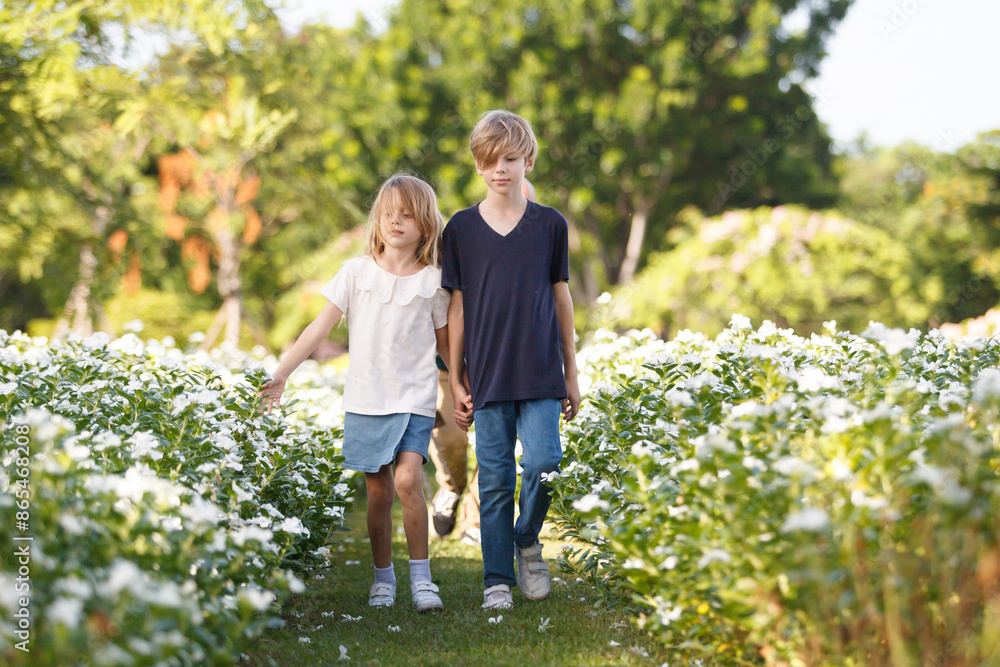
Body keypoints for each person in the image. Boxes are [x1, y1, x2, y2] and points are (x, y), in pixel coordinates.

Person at [259, 173, 450, 612]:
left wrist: (463, 385)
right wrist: (282, 373)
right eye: (387, 215)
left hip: (414, 398)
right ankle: (383, 579)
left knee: (407, 481)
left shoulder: (434, 282)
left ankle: (422, 580)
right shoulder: (355, 273)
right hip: (366, 398)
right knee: (379, 491)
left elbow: (446, 346)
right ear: (376, 221)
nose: (395, 222)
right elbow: (317, 328)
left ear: (425, 223)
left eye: (406, 215)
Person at [442, 110, 580, 611]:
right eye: (490, 160)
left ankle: (527, 539)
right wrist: (456, 379)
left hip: (542, 370)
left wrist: (572, 372)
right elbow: (455, 308)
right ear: (478, 166)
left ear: (528, 161)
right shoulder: (460, 229)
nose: (500, 169)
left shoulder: (550, 225)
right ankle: (496, 579)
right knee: (496, 478)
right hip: (487, 374)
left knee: (545, 464)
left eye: (511, 159)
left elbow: (561, 299)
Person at [428, 178, 536, 544]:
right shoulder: (470, 238)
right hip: (449, 369)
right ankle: (450, 487)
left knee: (497, 448)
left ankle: (475, 520)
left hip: (501, 370)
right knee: (453, 441)